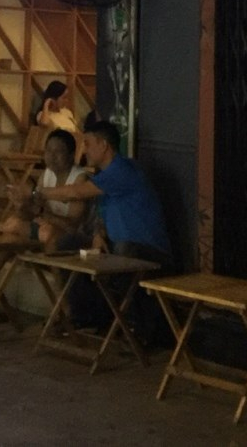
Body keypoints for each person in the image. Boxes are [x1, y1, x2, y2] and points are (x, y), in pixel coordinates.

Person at [42, 120, 171, 339]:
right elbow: (103, 212)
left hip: (148, 252)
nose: (84, 150)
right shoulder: (104, 177)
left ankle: (137, 325)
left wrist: (38, 194)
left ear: (103, 145)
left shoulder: (122, 171)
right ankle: (85, 317)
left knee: (124, 250)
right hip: (116, 245)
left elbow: (75, 193)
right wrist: (98, 233)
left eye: (88, 143)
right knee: (67, 244)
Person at [2, 129, 89, 252]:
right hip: (46, 226)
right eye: (48, 150)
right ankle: (14, 262)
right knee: (11, 224)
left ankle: (42, 262)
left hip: (72, 234)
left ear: (71, 155)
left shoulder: (79, 178)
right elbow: (33, 212)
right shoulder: (47, 174)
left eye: (58, 151)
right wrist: (21, 205)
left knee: (48, 233)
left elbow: (72, 226)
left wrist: (41, 213)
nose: (52, 156)